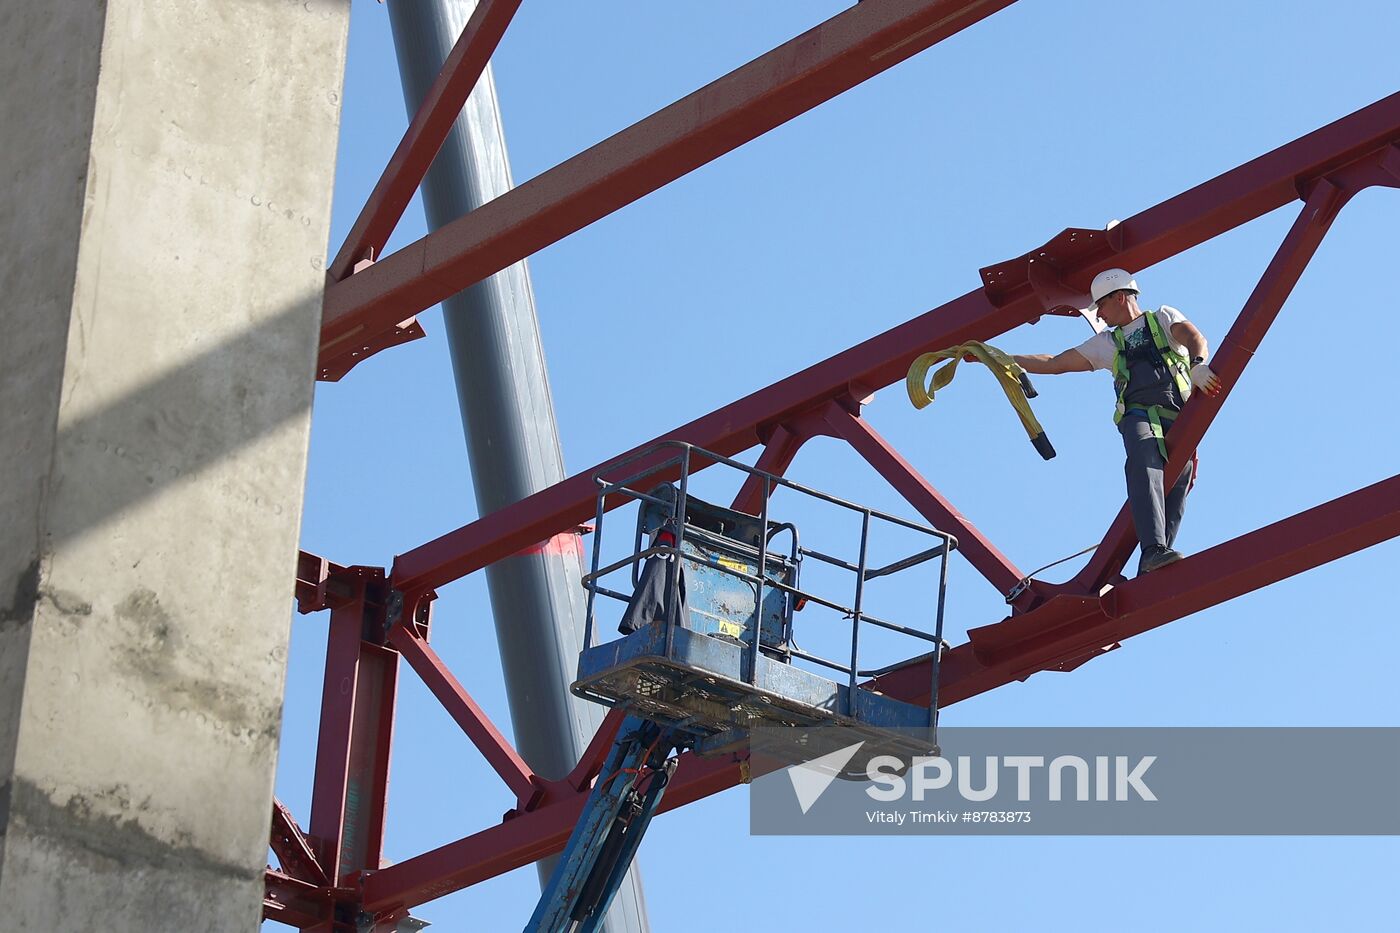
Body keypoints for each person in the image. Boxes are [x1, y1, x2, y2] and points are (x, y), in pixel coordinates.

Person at [1012, 268, 1222, 575]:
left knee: (1177, 483)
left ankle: (1154, 565)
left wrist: (1198, 365)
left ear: (1121, 297)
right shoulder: (1108, 343)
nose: (1099, 313)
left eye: (1102, 305)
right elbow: (1056, 363)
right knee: (1143, 461)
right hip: (1138, 414)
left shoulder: (1162, 319)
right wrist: (1006, 359)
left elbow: (1193, 337)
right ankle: (1153, 550)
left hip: (1178, 415)